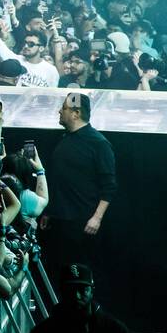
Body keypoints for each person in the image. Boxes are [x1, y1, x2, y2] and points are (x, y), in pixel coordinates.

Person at [39, 93, 116, 280]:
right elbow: (58, 180)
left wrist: (96, 218)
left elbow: (109, 186)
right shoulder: (65, 140)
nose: (59, 111)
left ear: (76, 113)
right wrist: (49, 211)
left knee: (79, 272)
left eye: (64, 108)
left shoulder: (98, 144)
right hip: (59, 221)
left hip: (81, 222)